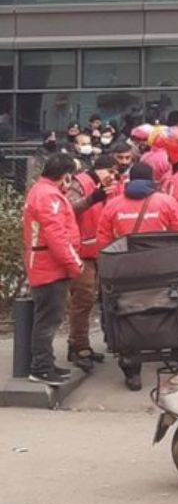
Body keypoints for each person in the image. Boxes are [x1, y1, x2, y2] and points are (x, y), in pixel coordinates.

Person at [97, 162, 178, 390]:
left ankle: (132, 371)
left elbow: (103, 241)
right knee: (168, 309)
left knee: (128, 315)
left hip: (126, 273)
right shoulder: (167, 202)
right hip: (161, 271)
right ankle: (175, 358)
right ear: (151, 180)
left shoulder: (113, 205)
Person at [21, 153, 84, 385]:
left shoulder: (44, 192)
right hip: (50, 268)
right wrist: (74, 263)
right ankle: (41, 368)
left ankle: (45, 364)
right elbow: (57, 236)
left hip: (46, 264)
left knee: (47, 319)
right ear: (65, 176)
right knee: (48, 320)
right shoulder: (49, 196)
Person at [64, 154, 118, 371]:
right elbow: (70, 208)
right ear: (100, 169)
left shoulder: (103, 185)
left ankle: (78, 343)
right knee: (83, 299)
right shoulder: (80, 184)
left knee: (88, 299)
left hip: (96, 251)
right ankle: (79, 347)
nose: (114, 176)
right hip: (81, 252)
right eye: (111, 172)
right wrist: (93, 198)